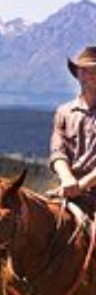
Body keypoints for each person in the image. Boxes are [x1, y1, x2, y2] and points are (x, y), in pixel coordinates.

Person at [50, 46, 96, 212]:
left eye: (94, 70)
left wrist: (82, 185)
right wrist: (67, 177)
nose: (90, 75)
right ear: (77, 74)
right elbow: (58, 151)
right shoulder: (63, 112)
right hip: (68, 186)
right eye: (84, 70)